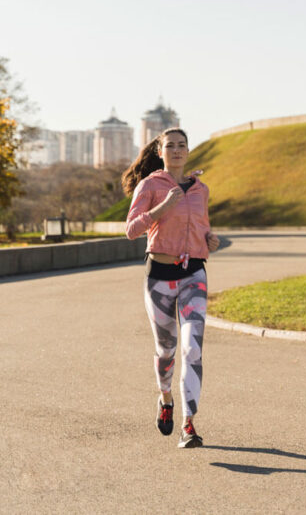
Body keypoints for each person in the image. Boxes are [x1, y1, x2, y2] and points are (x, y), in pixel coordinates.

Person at [123, 128, 220, 448]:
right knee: (166, 350)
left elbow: (202, 226)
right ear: (160, 152)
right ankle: (166, 399)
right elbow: (131, 230)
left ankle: (189, 424)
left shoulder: (201, 189)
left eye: (182, 145)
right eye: (170, 146)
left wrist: (210, 240)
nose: (177, 150)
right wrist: (162, 207)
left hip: (194, 274)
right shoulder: (150, 186)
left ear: (188, 151)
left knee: (193, 349)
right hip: (160, 277)